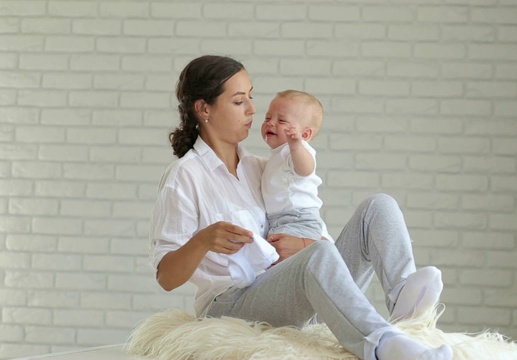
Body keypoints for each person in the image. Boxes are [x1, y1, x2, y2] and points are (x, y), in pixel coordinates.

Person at [149, 54, 453, 360]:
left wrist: (306, 243)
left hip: (287, 291)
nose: (253, 109)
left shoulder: (261, 168)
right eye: (239, 101)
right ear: (204, 109)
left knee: (379, 206)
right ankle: (382, 346)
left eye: (251, 98)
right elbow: (166, 277)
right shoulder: (185, 176)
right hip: (231, 304)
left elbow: (309, 234)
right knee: (318, 255)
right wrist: (204, 240)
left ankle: (403, 300)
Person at [261, 89, 325, 245]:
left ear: (304, 135)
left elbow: (305, 170)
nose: (270, 123)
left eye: (282, 120)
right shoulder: (277, 155)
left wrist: (296, 145)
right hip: (280, 221)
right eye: (267, 117)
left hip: (298, 219)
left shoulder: (296, 150)